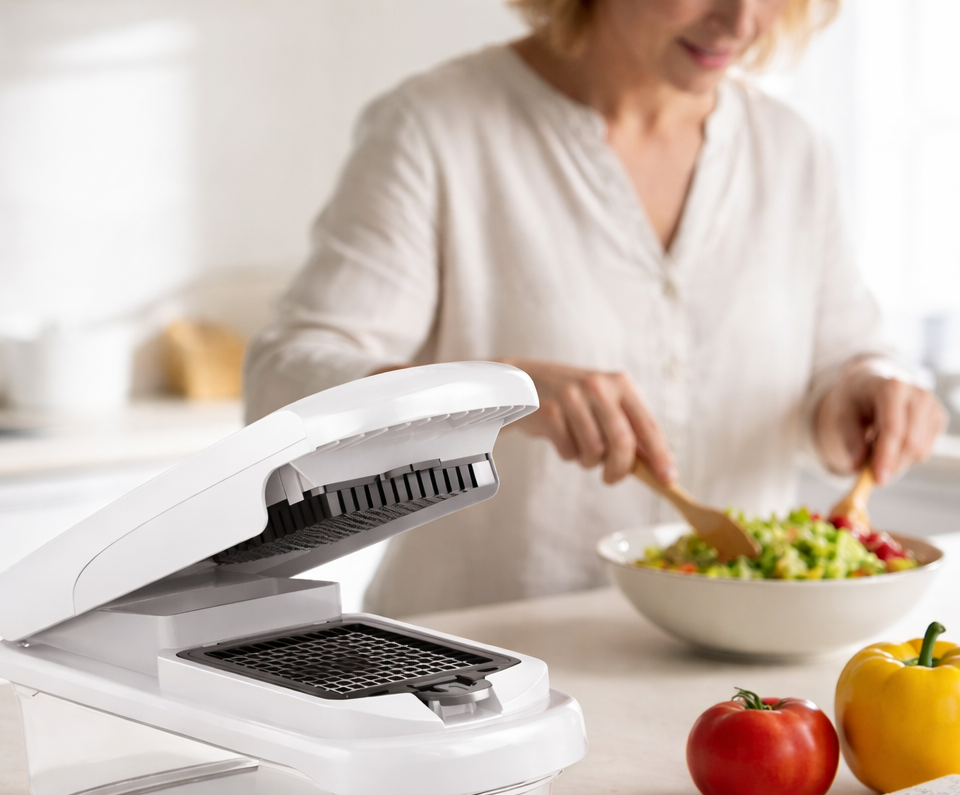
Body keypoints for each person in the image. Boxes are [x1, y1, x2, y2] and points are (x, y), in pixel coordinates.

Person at [245, 0, 946, 618]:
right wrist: (496, 391)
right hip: (478, 667)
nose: (741, 20)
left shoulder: (792, 153)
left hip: (735, 687)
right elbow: (284, 381)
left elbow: (836, 376)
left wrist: (870, 390)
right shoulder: (437, 129)